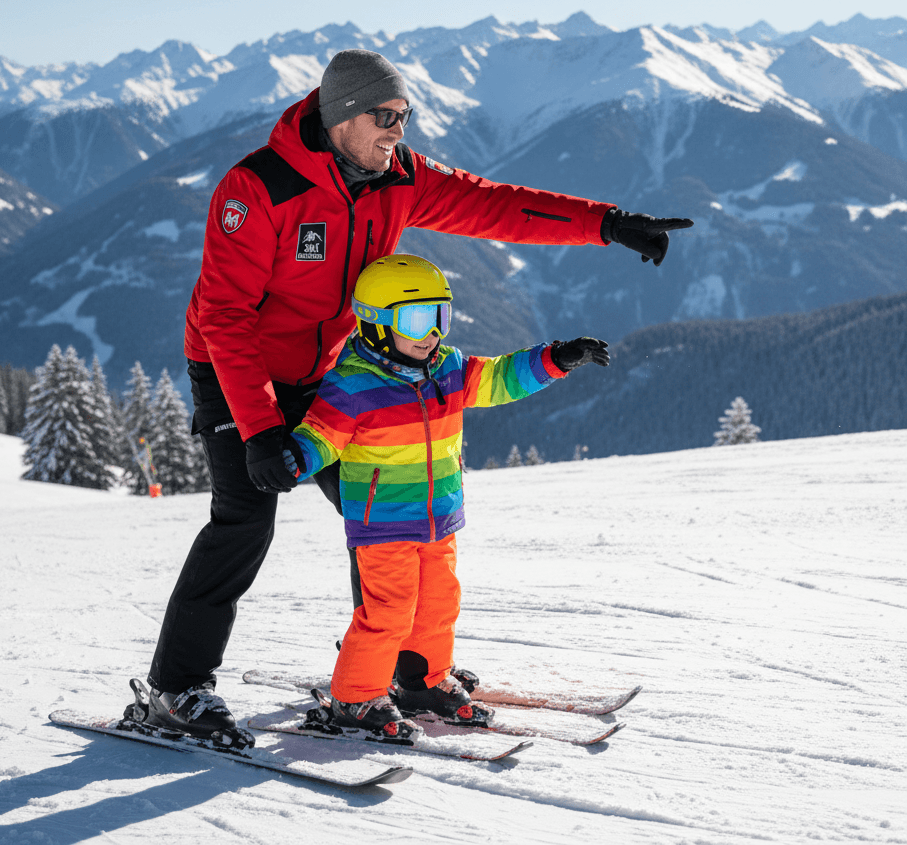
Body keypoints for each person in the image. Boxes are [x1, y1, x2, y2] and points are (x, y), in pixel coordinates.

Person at [143, 47, 692, 741]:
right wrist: (260, 430)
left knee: (386, 514)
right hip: (235, 367)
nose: (399, 131)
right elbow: (224, 317)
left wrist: (607, 224)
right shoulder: (259, 190)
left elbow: (496, 206)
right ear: (343, 115)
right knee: (245, 520)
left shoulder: (398, 175)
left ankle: (398, 671)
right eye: (386, 116)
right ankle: (178, 687)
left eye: (405, 116)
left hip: (330, 372)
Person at [284, 254, 611, 735]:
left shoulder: (449, 368)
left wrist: (555, 359)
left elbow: (499, 378)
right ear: (375, 323)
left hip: (441, 518)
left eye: (440, 317)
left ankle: (424, 682)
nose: (431, 333)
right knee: (387, 613)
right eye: (417, 319)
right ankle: (355, 698)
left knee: (439, 605)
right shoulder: (353, 383)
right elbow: (321, 436)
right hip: (383, 524)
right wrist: (289, 459)